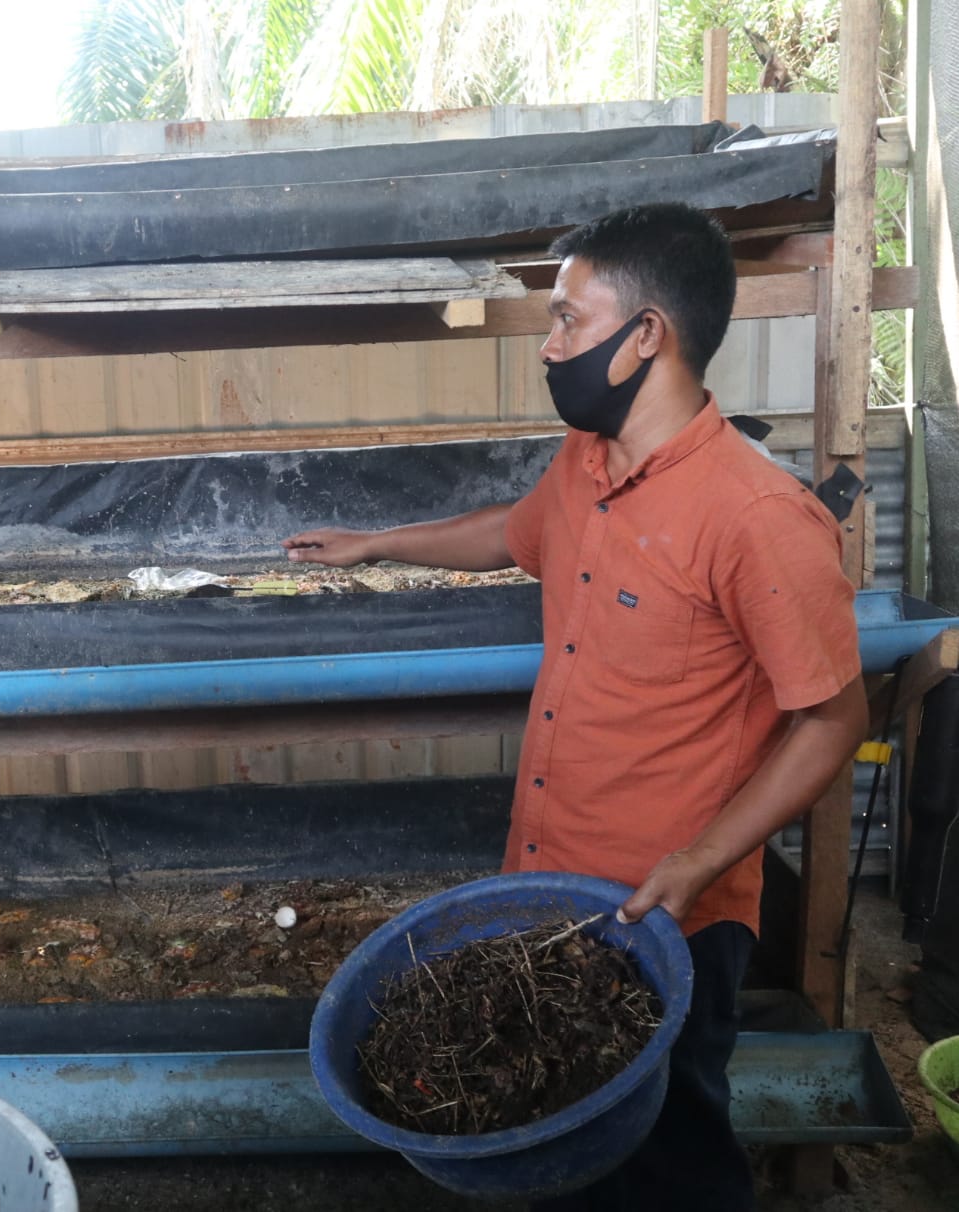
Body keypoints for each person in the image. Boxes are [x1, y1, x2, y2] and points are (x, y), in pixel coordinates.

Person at [283, 202, 866, 1209]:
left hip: (668, 911)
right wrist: (378, 543)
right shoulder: (587, 466)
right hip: (547, 890)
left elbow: (833, 719)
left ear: (649, 336)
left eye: (567, 321)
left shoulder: (755, 515)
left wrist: (693, 863)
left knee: (673, 1155)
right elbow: (510, 533)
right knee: (560, 1139)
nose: (550, 347)